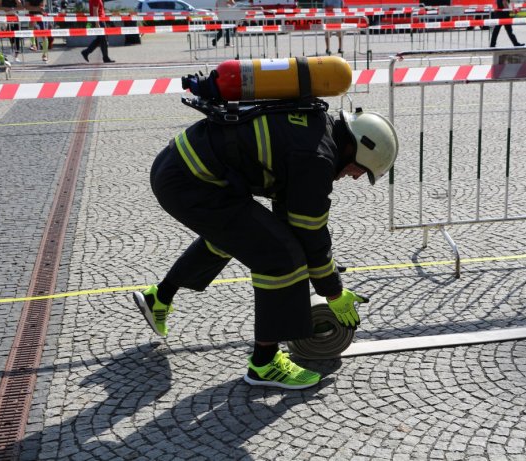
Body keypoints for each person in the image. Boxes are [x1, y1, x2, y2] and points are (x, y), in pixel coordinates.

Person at [133, 104, 398, 390]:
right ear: (356, 148)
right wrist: (332, 290)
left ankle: (159, 297)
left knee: (242, 238)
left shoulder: (317, 127)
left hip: (178, 165)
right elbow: (310, 230)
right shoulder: (317, 159)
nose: (356, 176)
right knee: (281, 258)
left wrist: (324, 271)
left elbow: (293, 217)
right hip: (191, 183)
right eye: (360, 169)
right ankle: (265, 363)